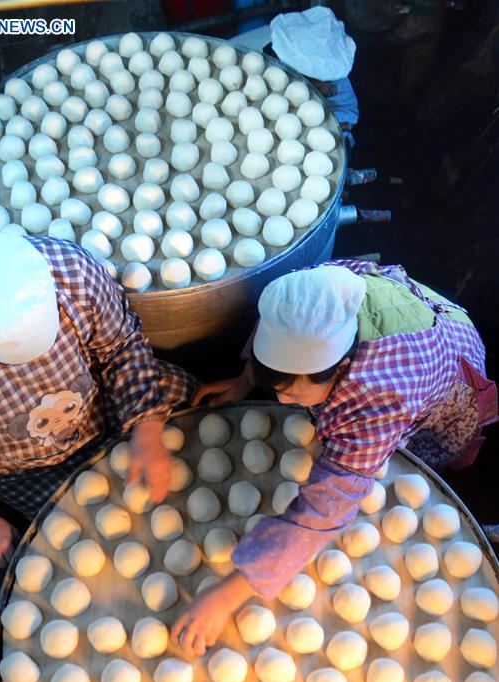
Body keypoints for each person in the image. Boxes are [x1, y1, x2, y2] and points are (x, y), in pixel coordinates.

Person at [172, 259, 497, 655]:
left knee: (411, 454)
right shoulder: (312, 294)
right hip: (406, 321)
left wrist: (228, 593)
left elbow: (326, 508)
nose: (281, 399)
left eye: (291, 393)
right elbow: (277, 333)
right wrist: (246, 381)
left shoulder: (380, 396)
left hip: (445, 373)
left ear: (339, 370)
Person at [0, 232, 197, 567]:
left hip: (97, 404)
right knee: (82, 533)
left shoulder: (73, 271)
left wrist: (147, 426)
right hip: (15, 463)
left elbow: (121, 345)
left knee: (190, 401)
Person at [235, 6, 359, 144]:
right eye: (316, 81)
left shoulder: (331, 66)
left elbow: (345, 110)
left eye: (324, 82)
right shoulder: (253, 59)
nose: (326, 86)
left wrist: (342, 129)